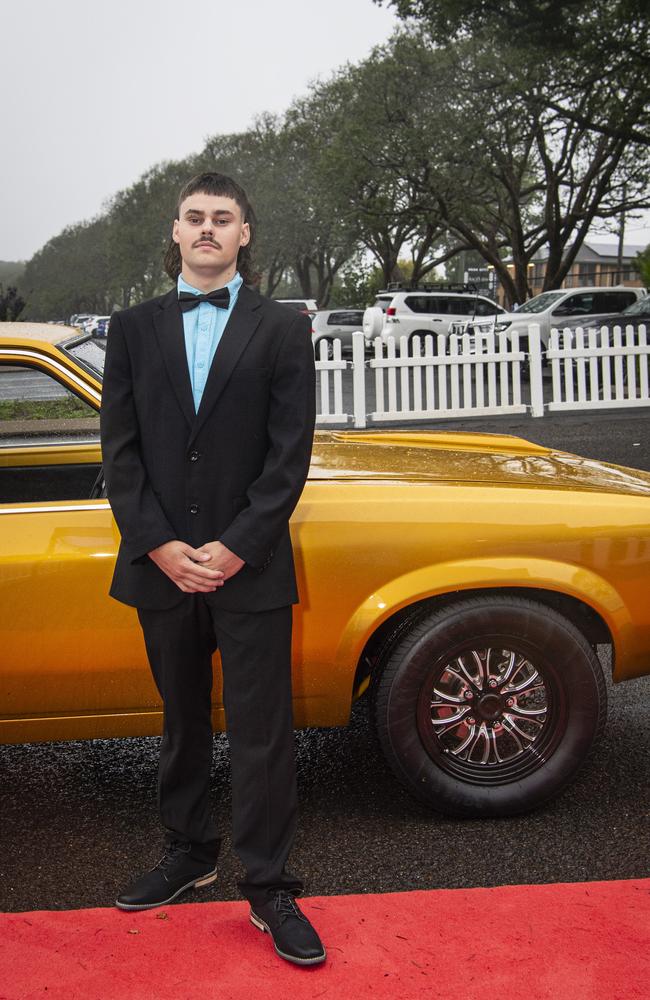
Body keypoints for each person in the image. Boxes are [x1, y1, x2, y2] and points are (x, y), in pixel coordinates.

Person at [100, 172, 324, 966]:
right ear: (175, 231)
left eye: (221, 218)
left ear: (244, 235)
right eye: (194, 217)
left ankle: (267, 885)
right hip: (161, 566)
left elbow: (288, 455)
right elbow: (120, 456)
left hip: (249, 565)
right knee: (182, 717)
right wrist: (161, 545)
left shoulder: (282, 328)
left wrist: (235, 546)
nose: (206, 229)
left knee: (262, 732)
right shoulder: (129, 329)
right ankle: (189, 853)